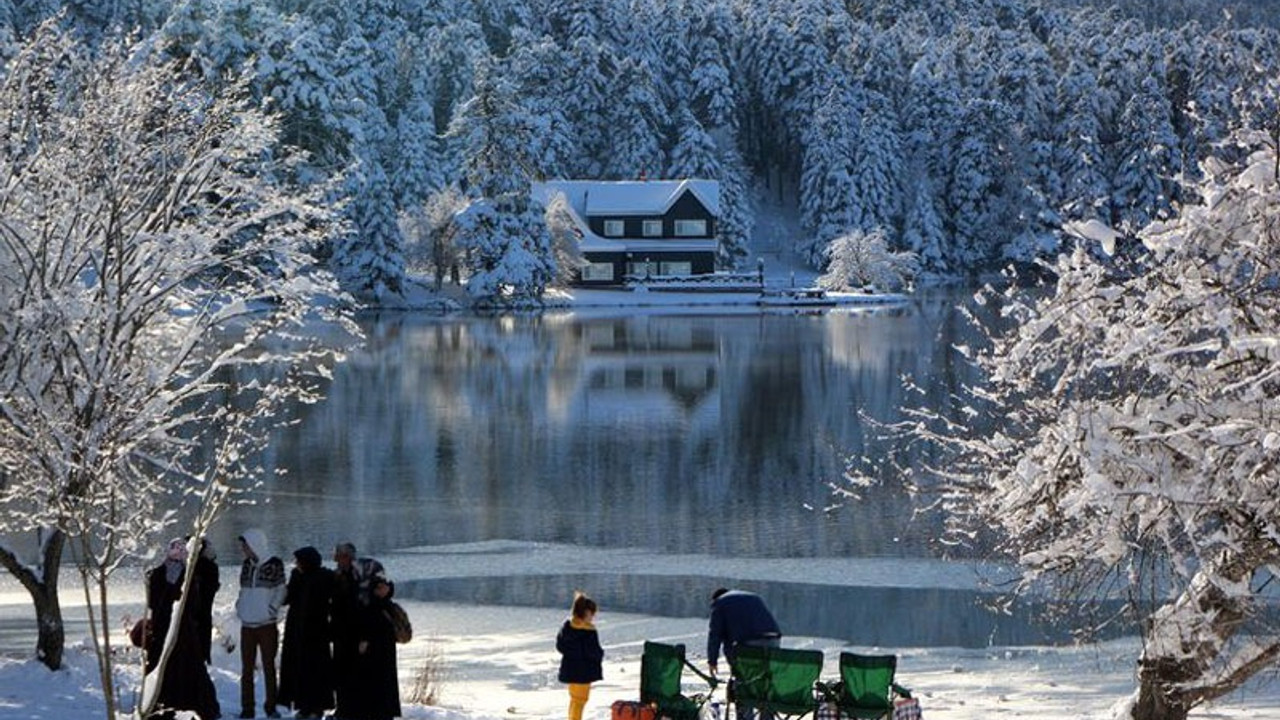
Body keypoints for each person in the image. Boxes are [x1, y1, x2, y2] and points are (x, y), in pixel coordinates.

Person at [145, 538, 220, 720]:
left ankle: (167, 704)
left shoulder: (166, 574)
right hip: (178, 629)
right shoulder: (184, 576)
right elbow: (192, 603)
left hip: (174, 630)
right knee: (181, 667)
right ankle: (178, 704)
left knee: (176, 666)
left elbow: (155, 603)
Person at [278, 546, 336, 719]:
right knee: (298, 669)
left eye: (299, 561)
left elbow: (334, 600)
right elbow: (288, 598)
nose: (297, 564)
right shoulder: (298, 576)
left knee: (315, 670)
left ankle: (317, 707)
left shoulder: (324, 576)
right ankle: (302, 706)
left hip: (316, 630)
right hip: (296, 629)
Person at [706, 588, 781, 720]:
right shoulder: (754, 596)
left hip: (749, 642)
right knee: (766, 681)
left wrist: (713, 660)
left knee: (743, 682)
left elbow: (716, 634)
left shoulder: (720, 603)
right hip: (773, 638)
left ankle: (745, 718)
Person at [235, 528, 286, 719]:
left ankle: (271, 707)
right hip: (247, 624)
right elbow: (243, 590)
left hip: (266, 624)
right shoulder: (246, 565)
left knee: (268, 667)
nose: (244, 549)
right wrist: (240, 606)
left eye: (245, 545)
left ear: (254, 544)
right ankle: (247, 708)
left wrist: (272, 610)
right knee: (246, 669)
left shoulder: (274, 564)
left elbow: (281, 590)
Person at [331, 542, 386, 719]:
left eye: (341, 556)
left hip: (360, 632)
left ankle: (361, 711)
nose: (337, 559)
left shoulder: (363, 576)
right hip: (342, 632)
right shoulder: (338, 576)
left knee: (361, 674)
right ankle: (344, 710)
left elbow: (368, 607)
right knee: (342, 673)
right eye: (337, 556)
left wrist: (365, 637)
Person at [355, 575, 403, 720]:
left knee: (386, 684)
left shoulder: (388, 605)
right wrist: (365, 640)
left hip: (386, 650)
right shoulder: (370, 605)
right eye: (379, 587)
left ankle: (385, 713)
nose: (382, 590)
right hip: (373, 652)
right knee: (374, 684)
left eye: (384, 587)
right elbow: (366, 626)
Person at [556, 591, 604, 720]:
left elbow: (560, 646)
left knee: (574, 700)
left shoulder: (568, 627)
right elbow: (593, 652)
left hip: (570, 670)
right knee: (581, 700)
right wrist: (600, 654)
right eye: (592, 614)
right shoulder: (589, 632)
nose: (593, 617)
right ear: (586, 613)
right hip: (584, 672)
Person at [192, 537, 220, 665]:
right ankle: (205, 661)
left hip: (195, 613)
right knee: (203, 640)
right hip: (204, 612)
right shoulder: (211, 567)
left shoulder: (193, 567)